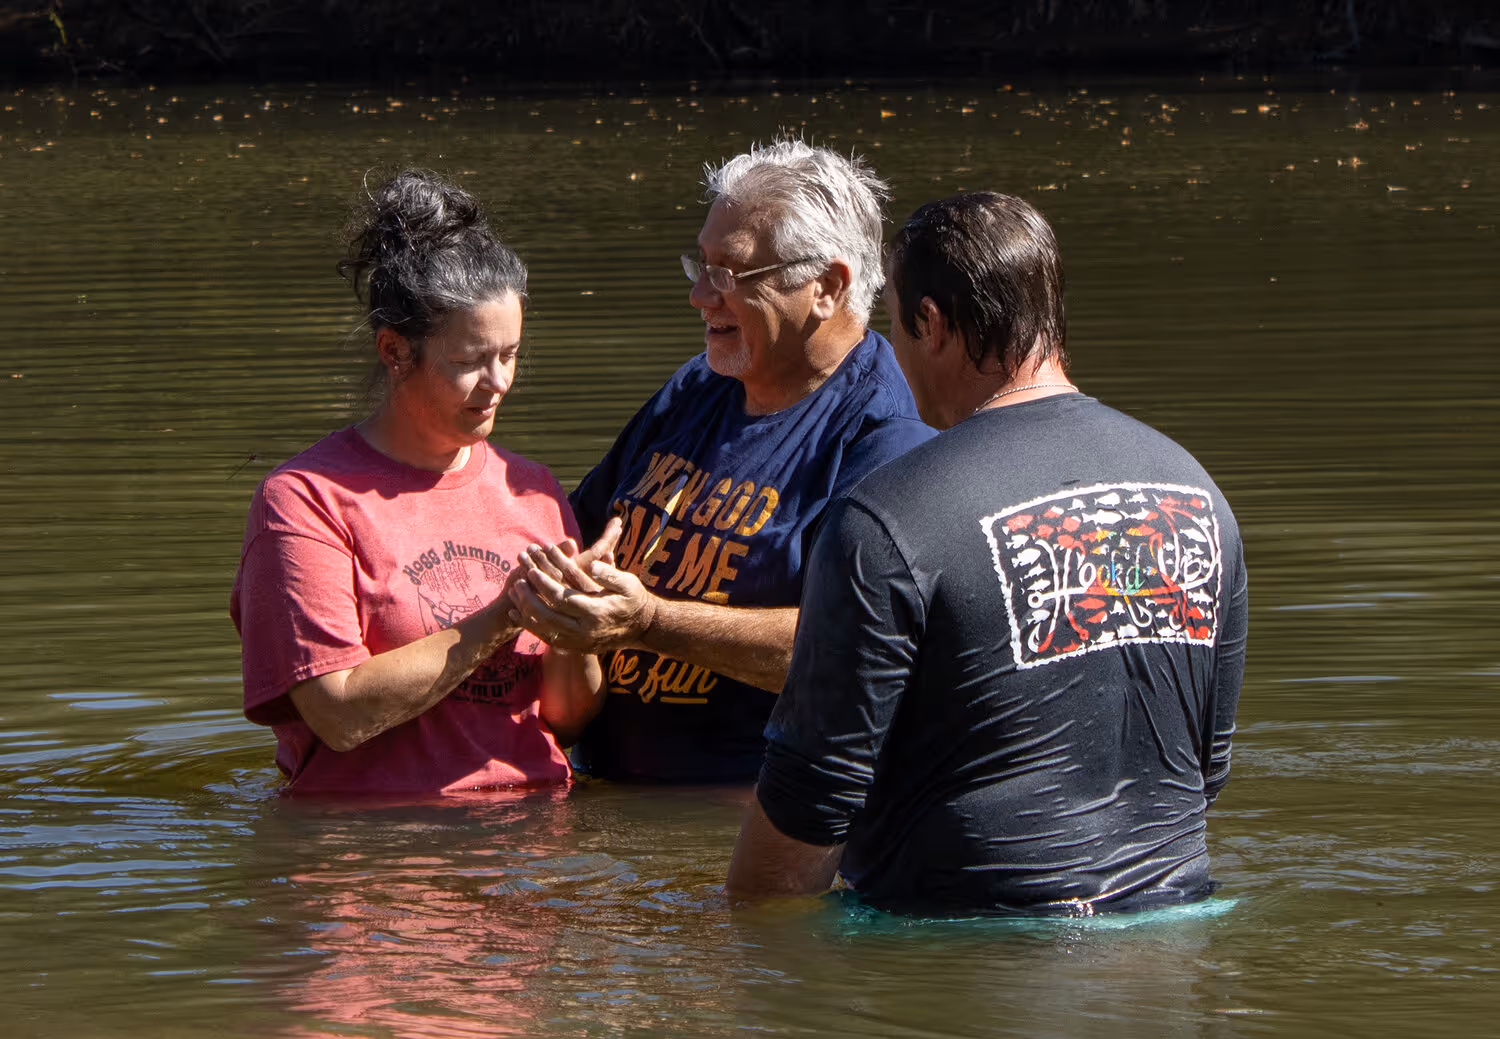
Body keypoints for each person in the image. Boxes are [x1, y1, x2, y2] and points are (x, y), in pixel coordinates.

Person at [728, 192, 1249, 914]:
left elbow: (809, 800)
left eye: (896, 328)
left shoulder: (887, 516)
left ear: (932, 323)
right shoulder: (1197, 495)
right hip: (1172, 931)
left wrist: (740, 949)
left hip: (962, 946)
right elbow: (1204, 769)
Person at [508, 140, 935, 783]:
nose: (701, 295)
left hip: (740, 817)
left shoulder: (885, 435)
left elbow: (854, 649)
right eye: (700, 265)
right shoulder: (702, 385)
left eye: (730, 273)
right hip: (597, 793)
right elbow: (574, 529)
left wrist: (648, 622)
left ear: (827, 286)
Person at [230, 169, 604, 795]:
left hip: (533, 847)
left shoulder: (533, 489)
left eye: (509, 355)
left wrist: (574, 619)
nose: (498, 383)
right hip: (374, 853)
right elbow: (339, 713)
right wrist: (507, 614)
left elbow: (565, 719)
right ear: (394, 351)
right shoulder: (305, 500)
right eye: (468, 362)